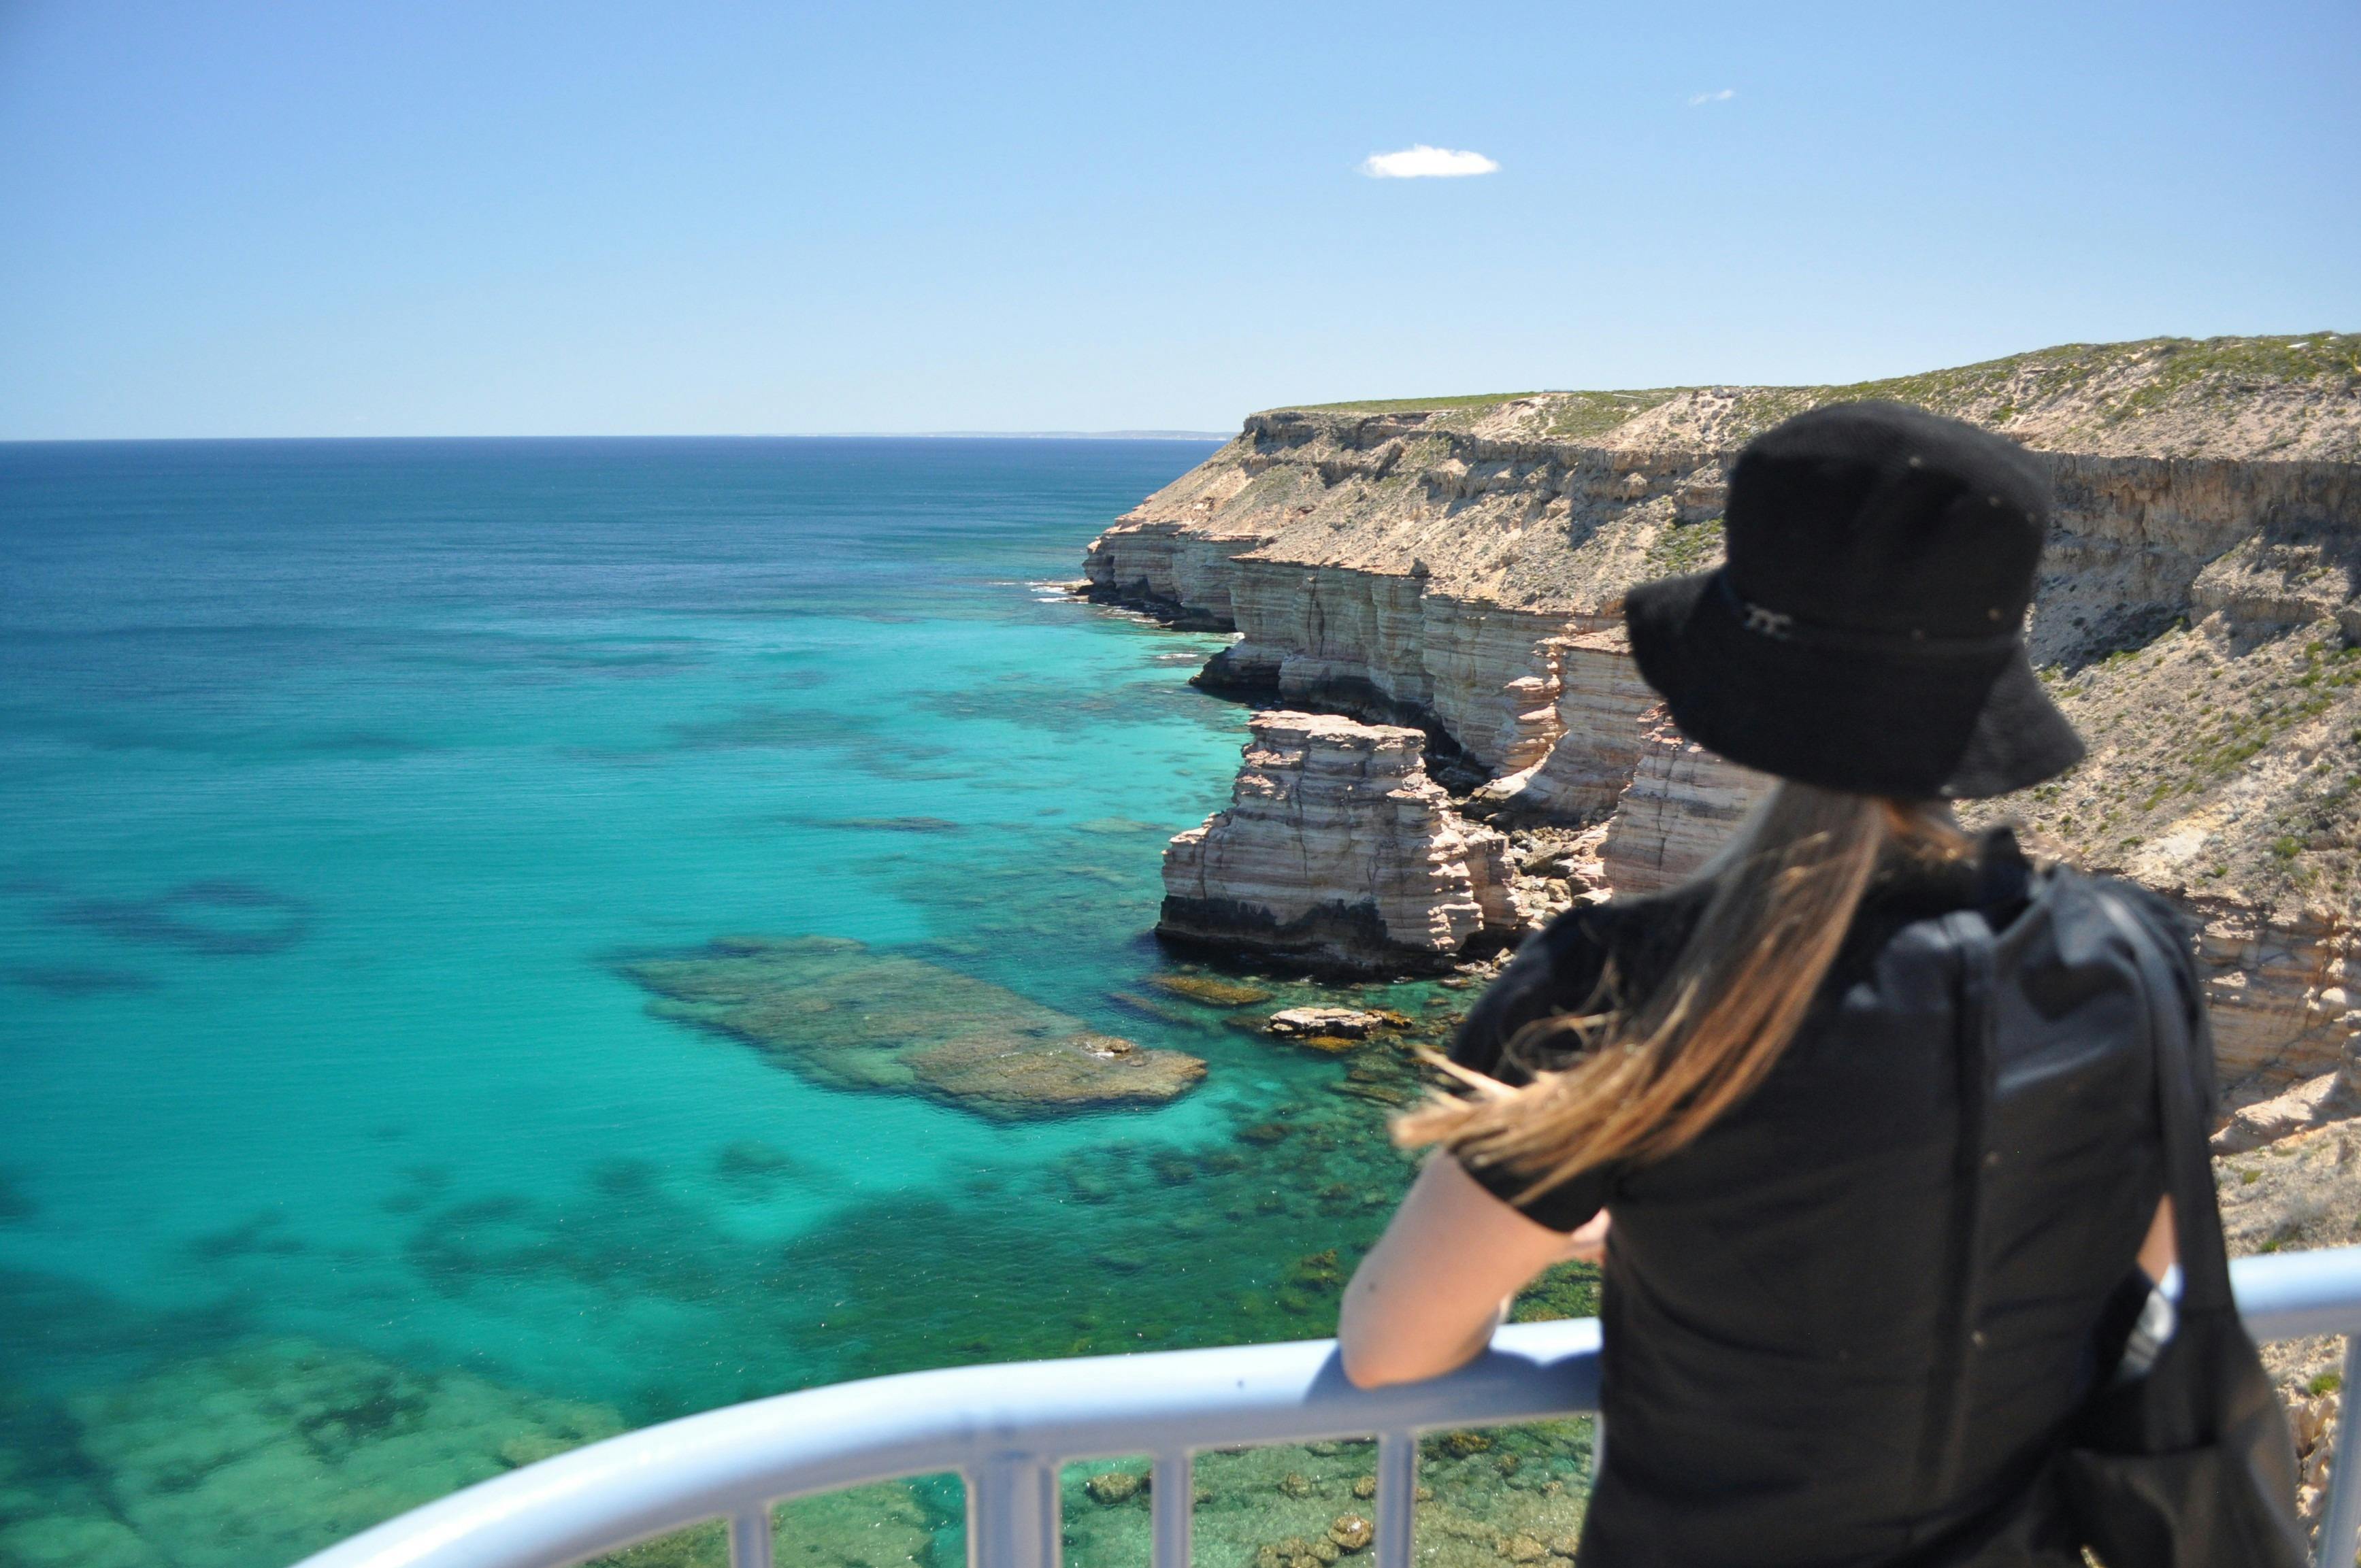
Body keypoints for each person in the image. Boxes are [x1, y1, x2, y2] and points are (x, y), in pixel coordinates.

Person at [1336, 401, 2206, 1568]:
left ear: (1737, 686)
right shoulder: (2134, 957)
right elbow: (2131, 1276)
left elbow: (1391, 1350)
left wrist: (1621, 1235)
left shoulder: (1610, 985)